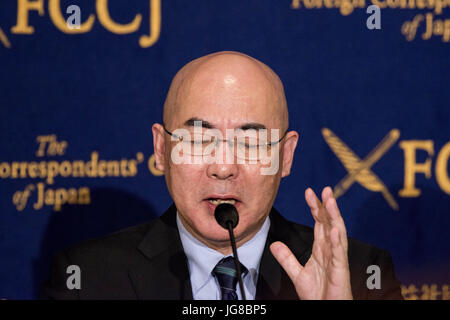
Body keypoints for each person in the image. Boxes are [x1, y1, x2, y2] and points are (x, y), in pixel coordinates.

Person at [42, 51, 403, 300]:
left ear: (286, 155)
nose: (223, 167)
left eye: (250, 142)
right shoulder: (88, 278)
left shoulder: (361, 275)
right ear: (161, 149)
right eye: (199, 140)